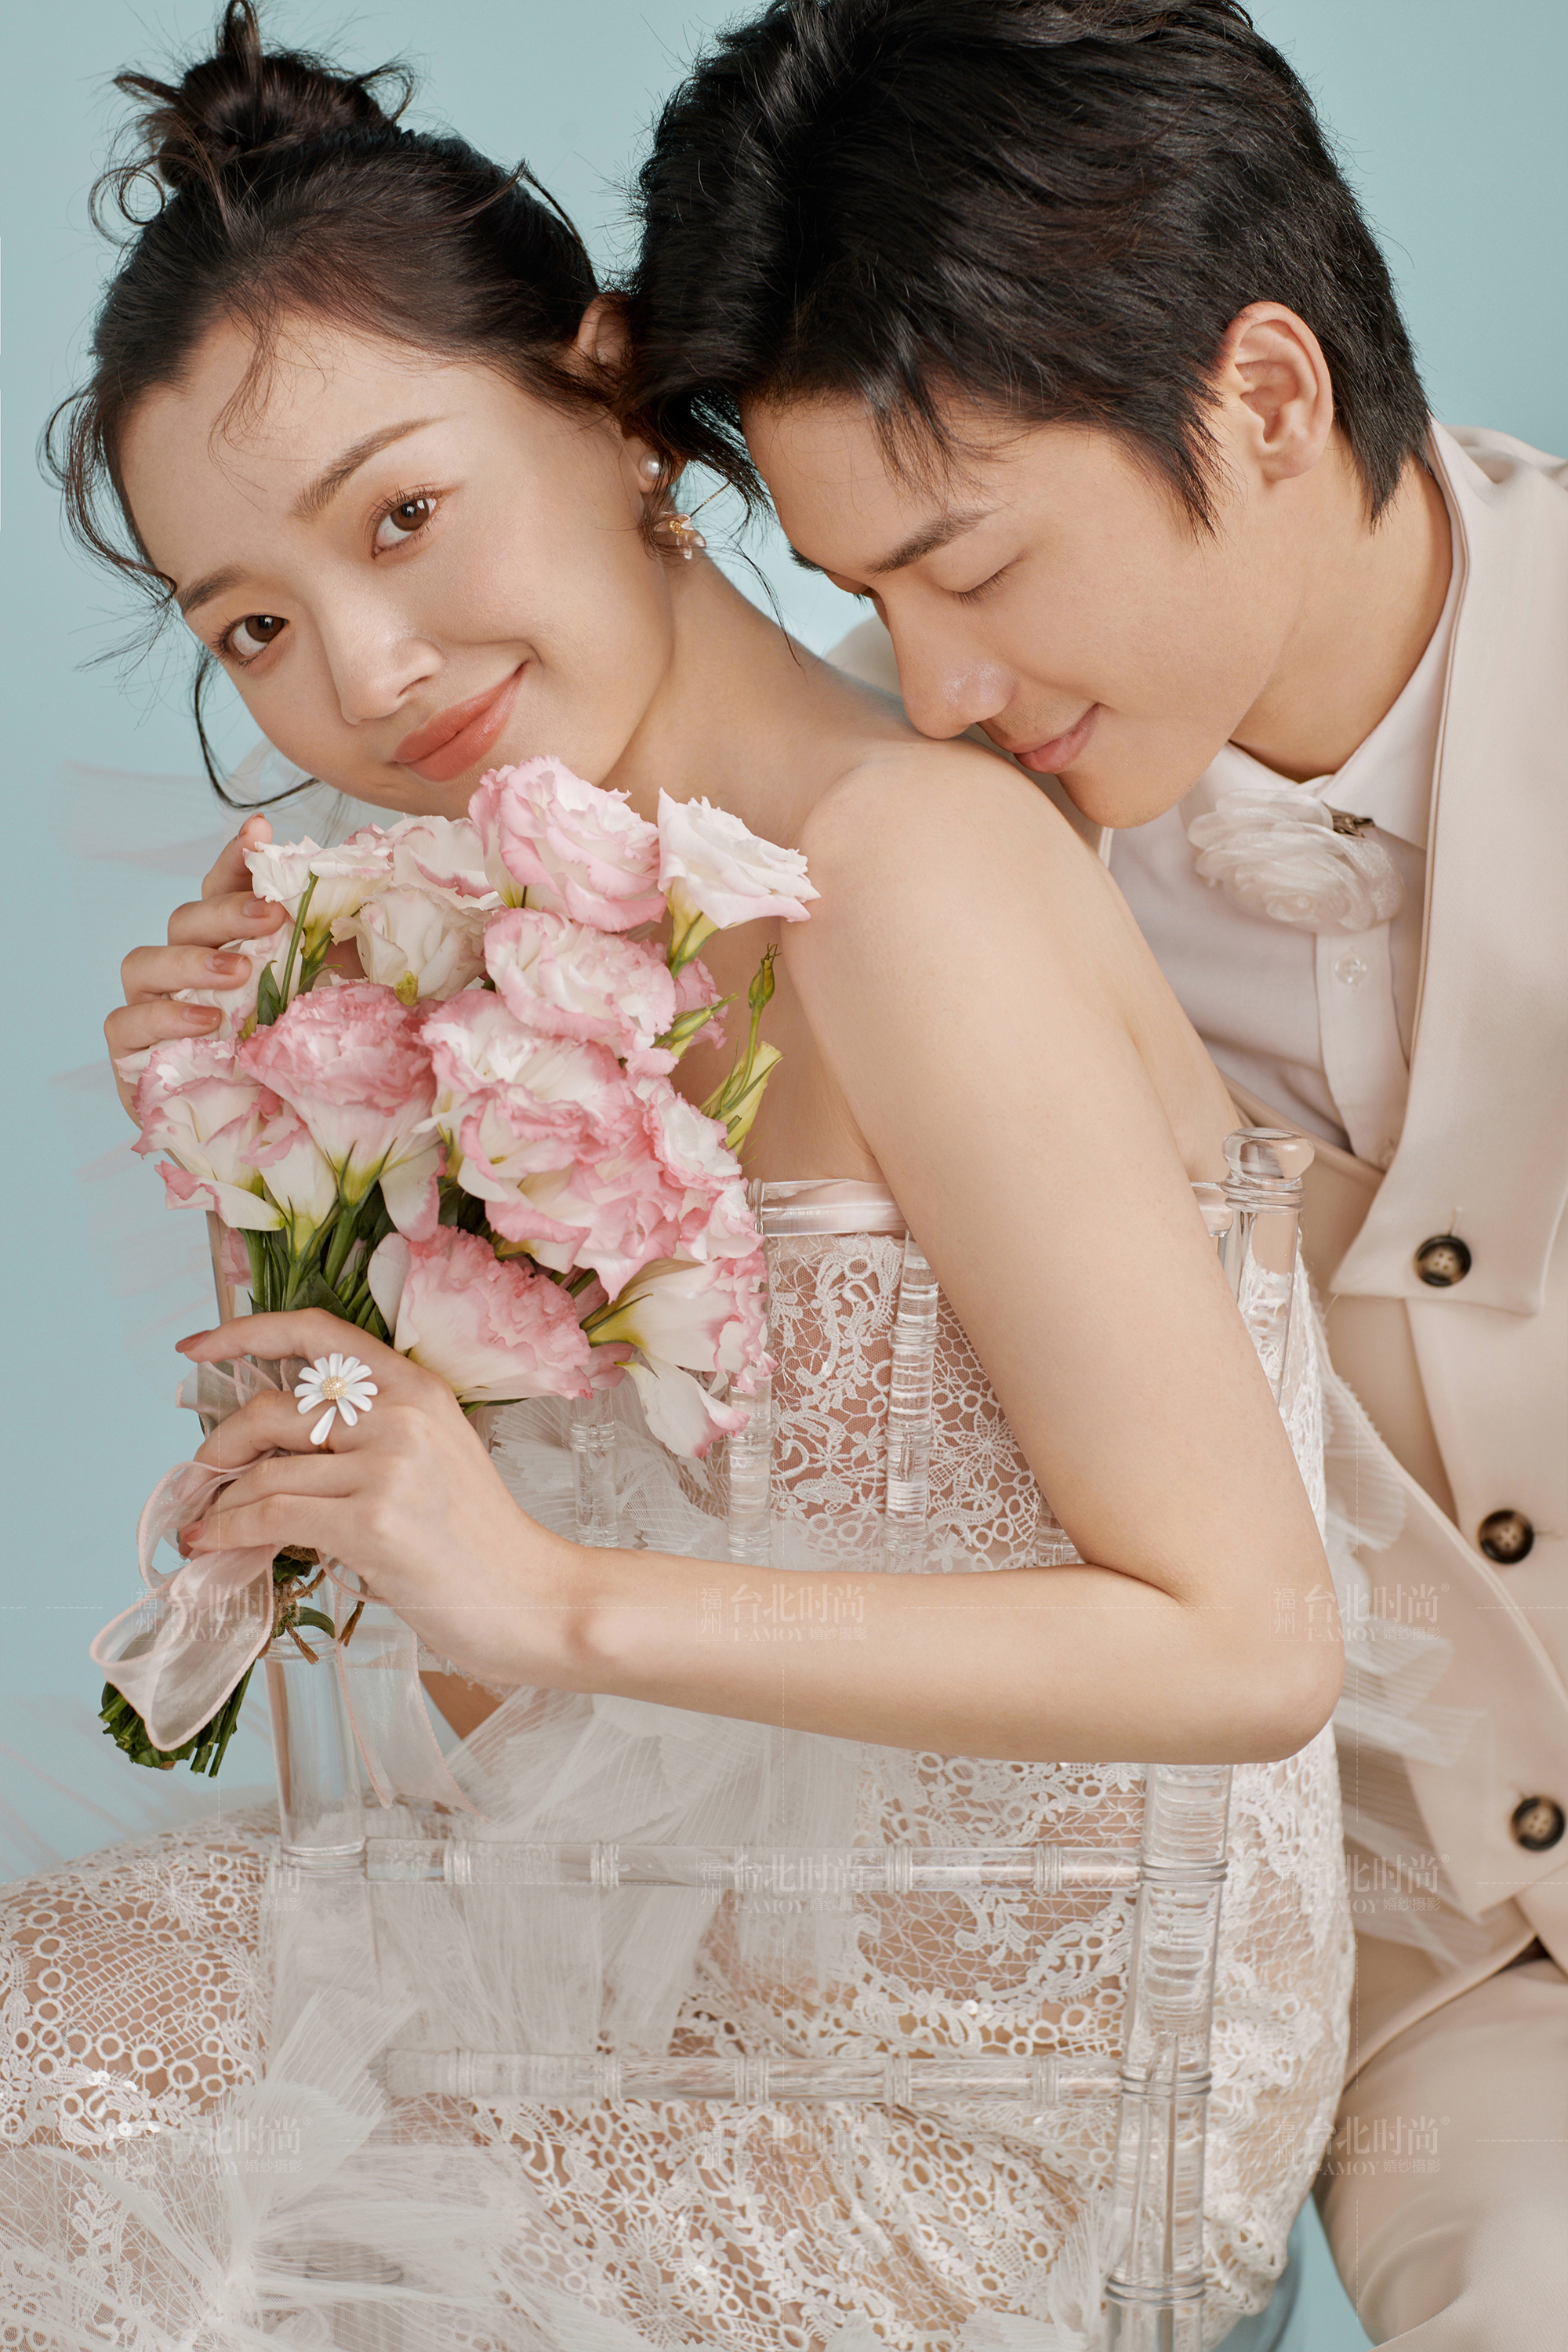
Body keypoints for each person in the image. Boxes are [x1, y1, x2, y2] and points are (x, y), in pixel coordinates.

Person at [5, 5, 1347, 2344]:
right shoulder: (437, 934)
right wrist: (289, 1169)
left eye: (403, 515)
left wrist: (544, 1595)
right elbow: (470, 1741)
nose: (367, 673)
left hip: (1007, 2095)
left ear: (614, 398)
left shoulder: (910, 868)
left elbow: (1248, 1643)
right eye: (257, 628)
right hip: (596, 1956)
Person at [618, 0, 1568, 2342]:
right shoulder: (895, 861)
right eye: (871, 596)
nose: (935, 682)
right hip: (1439, 2005)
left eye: (973, 564)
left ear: (1267, 397)